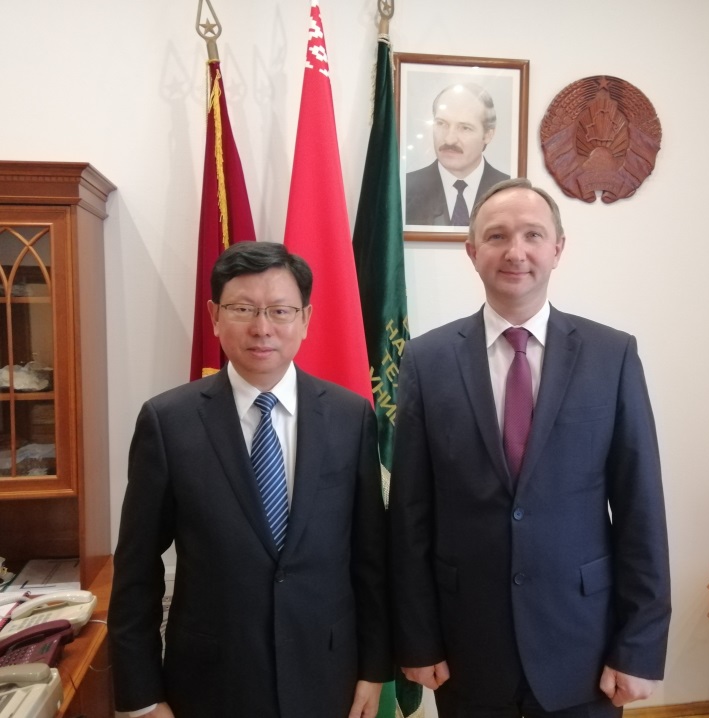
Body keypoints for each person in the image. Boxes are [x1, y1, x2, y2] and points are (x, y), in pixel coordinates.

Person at [389, 178, 670, 717]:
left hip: (583, 645)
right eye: (496, 236)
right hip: (467, 644)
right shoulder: (426, 361)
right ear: (472, 251)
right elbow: (410, 515)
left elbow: (641, 510)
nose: (515, 252)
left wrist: (640, 645)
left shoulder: (611, 355)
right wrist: (417, 638)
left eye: (533, 235)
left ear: (557, 248)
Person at [109, 241, 392, 718]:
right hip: (209, 684)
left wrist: (374, 668)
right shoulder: (168, 422)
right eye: (242, 309)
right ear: (214, 316)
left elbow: (370, 557)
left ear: (306, 319)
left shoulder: (351, 417)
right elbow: (137, 568)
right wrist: (142, 699)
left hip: (328, 677)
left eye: (280, 310)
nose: (262, 328)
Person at [405, 82, 510, 227]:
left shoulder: (508, 190)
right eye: (441, 124)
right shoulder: (405, 188)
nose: (449, 139)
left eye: (465, 128)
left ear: (488, 135)